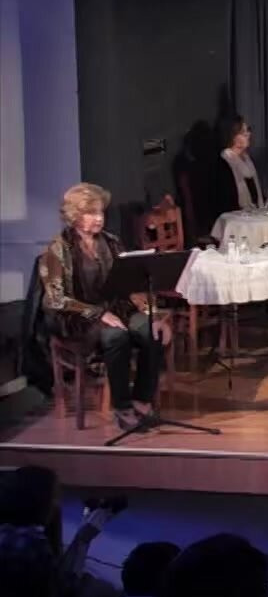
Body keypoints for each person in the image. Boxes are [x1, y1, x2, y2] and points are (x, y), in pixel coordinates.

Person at [36, 184, 171, 432]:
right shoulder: (59, 248)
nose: (99, 218)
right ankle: (122, 407)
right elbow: (55, 299)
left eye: (100, 212)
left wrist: (152, 315)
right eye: (91, 213)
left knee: (152, 332)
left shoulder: (111, 242)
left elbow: (131, 283)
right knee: (116, 336)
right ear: (75, 215)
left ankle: (141, 400)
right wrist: (99, 314)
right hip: (79, 318)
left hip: (116, 310)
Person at [209, 116, 262, 216]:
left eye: (248, 130)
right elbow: (226, 201)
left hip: (254, 215)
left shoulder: (248, 160)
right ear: (232, 136)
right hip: (236, 217)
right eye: (243, 132)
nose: (248, 134)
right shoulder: (224, 162)